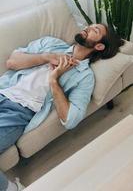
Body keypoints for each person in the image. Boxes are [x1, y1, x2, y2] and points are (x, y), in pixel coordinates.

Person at [0, 23, 124, 191]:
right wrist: (47, 57)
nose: (88, 28)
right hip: (4, 91)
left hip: (18, 111)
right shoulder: (50, 43)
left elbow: (71, 120)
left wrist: (54, 80)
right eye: (90, 25)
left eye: (95, 30)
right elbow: (12, 62)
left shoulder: (84, 77)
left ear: (99, 46)